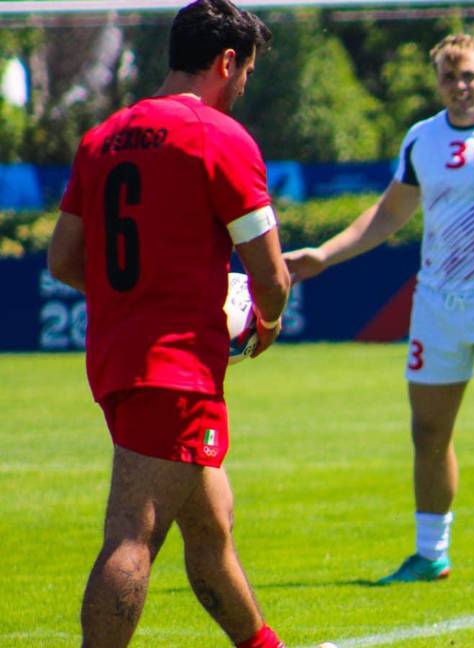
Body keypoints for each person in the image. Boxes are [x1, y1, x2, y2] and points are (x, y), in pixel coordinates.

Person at [284, 33, 474, 583]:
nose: (459, 87)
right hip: (437, 310)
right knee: (428, 434)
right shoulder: (421, 140)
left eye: (469, 75)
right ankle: (431, 555)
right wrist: (324, 256)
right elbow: (386, 215)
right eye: (449, 78)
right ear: (439, 83)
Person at [46, 1, 291, 646]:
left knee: (211, 532)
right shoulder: (219, 136)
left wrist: (143, 298)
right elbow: (271, 276)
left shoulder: (102, 137)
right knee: (132, 535)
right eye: (245, 74)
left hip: (117, 359)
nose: (242, 89)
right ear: (226, 61)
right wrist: (264, 321)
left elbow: (64, 259)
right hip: (176, 369)